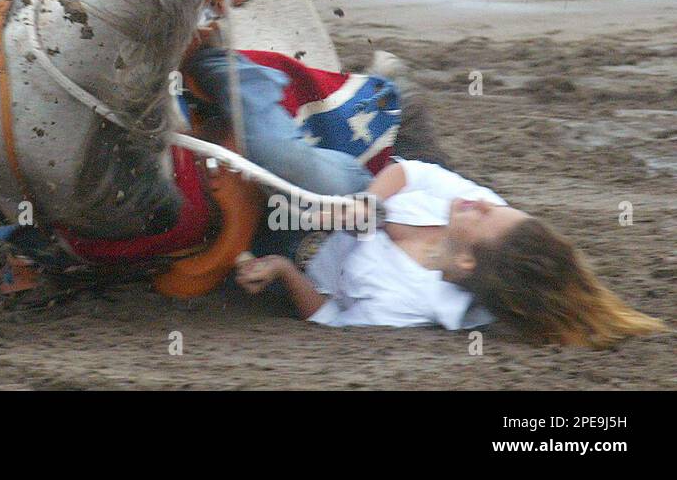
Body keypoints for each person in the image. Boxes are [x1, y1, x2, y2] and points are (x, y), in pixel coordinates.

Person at [184, 47, 666, 349]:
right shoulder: (468, 201)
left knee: (277, 183)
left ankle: (220, 70)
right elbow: (407, 172)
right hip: (377, 179)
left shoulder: (406, 305)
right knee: (312, 168)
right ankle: (229, 68)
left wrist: (284, 271)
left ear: (471, 264)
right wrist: (367, 204)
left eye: (485, 214)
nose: (483, 201)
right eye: (493, 204)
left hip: (304, 233)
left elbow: (329, 315)